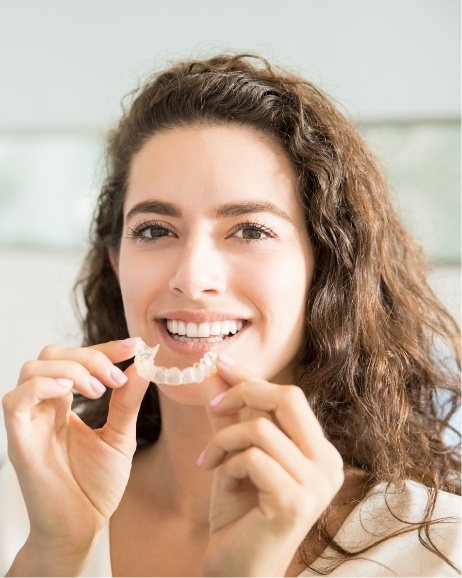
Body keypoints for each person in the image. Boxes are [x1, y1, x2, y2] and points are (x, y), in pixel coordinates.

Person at [1, 53, 460, 577]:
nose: (191, 279)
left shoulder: (435, 550)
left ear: (326, 266)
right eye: (155, 230)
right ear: (116, 260)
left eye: (250, 230)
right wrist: (54, 554)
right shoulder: (25, 504)